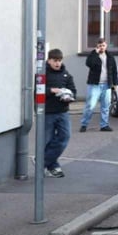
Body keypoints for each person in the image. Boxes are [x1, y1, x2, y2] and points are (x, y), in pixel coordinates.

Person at [44, 49, 76, 178]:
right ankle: (54, 167)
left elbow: (73, 90)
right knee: (47, 140)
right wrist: (52, 90)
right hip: (47, 112)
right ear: (49, 60)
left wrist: (68, 96)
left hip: (63, 111)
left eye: (59, 60)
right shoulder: (43, 74)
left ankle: (42, 161)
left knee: (65, 136)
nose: (57, 63)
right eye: (55, 61)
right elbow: (38, 91)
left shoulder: (66, 75)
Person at [80, 38, 118, 132]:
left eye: (103, 45)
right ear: (97, 46)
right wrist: (95, 53)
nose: (102, 47)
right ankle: (84, 124)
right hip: (94, 85)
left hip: (107, 85)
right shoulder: (93, 55)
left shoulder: (110, 57)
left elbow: (114, 71)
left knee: (106, 106)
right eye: (100, 46)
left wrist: (115, 83)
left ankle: (104, 125)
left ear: (106, 46)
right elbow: (89, 64)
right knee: (90, 106)